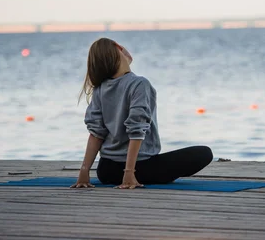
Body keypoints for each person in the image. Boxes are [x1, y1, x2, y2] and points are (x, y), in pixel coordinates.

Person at [71, 37, 213, 189]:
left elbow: (96, 133)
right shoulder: (139, 84)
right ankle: (142, 174)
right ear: (118, 49)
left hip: (106, 171)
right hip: (139, 168)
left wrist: (84, 172)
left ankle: (143, 173)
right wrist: (129, 173)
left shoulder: (100, 89)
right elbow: (136, 130)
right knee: (204, 153)